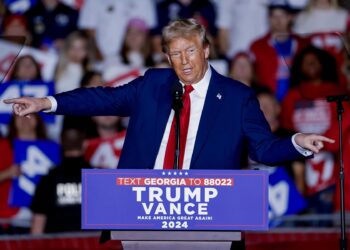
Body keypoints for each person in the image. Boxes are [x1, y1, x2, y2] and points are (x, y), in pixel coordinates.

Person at [4, 18, 334, 248]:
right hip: (144, 210)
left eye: (190, 51)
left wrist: (297, 143)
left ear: (206, 49)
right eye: (175, 54)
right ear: (166, 56)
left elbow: (262, 149)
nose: (184, 61)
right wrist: (44, 102)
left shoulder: (236, 97)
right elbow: (102, 97)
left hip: (209, 214)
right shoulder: (154, 84)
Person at [31, 127, 90, 234]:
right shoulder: (99, 177)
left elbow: (37, 226)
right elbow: (109, 223)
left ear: (61, 144)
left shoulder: (48, 179)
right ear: (85, 144)